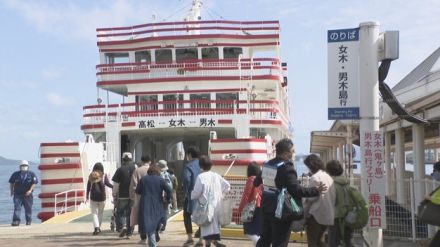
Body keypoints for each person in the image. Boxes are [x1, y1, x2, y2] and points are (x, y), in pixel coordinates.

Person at [254, 138, 327, 247]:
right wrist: (315, 190)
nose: (293, 153)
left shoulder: (268, 164)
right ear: (285, 153)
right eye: (292, 151)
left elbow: (256, 182)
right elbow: (296, 190)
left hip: (266, 207)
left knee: (264, 240)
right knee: (280, 242)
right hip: (281, 211)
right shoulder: (286, 168)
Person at [191, 156, 230, 247]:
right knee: (214, 227)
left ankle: (209, 244)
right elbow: (227, 185)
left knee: (207, 227)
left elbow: (196, 193)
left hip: (205, 208)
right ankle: (214, 242)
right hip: (216, 206)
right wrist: (221, 195)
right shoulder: (216, 175)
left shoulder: (200, 177)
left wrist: (191, 195)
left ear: (200, 166)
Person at [303, 154, 335, 247]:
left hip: (316, 215)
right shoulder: (328, 177)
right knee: (318, 241)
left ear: (311, 166)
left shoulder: (315, 177)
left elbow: (311, 198)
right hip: (328, 215)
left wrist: (304, 215)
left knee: (312, 242)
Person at [136, 166, 172, 246]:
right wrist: (167, 199)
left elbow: (138, 191)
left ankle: (153, 243)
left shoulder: (143, 179)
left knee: (148, 224)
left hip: (145, 204)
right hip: (158, 204)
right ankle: (154, 237)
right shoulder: (160, 180)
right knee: (155, 222)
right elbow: (169, 190)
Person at [325, 160, 354, 247]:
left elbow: (329, 202)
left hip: (336, 217)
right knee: (347, 241)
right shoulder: (346, 183)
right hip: (349, 216)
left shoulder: (332, 184)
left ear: (329, 171)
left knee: (333, 242)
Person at [237, 162, 263, 246]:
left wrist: (240, 208)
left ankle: (260, 244)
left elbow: (246, 195)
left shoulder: (251, 179)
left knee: (249, 231)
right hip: (260, 207)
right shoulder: (262, 179)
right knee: (257, 231)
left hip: (252, 209)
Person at [112, 152, 136, 238]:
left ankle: (122, 227)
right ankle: (129, 232)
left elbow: (116, 184)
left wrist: (114, 193)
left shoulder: (120, 169)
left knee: (120, 212)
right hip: (133, 195)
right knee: (131, 213)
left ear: (123, 159)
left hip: (122, 195)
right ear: (131, 159)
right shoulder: (135, 168)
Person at [182, 146, 202, 246]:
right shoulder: (203, 165)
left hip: (191, 194)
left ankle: (190, 238)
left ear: (189, 155)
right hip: (203, 195)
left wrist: (186, 191)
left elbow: (186, 179)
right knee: (203, 215)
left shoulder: (188, 166)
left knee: (186, 215)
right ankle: (201, 239)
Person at [86, 162, 113, 235]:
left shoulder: (91, 175)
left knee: (94, 213)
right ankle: (99, 228)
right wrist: (114, 187)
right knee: (100, 213)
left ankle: (96, 228)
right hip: (102, 197)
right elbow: (107, 184)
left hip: (93, 197)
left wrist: (87, 196)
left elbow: (88, 186)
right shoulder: (104, 175)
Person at [8, 160, 38, 226]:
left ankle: (28, 221)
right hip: (17, 194)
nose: (24, 167)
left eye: (25, 166)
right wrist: (11, 191)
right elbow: (11, 183)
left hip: (28, 195)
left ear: (28, 166)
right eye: (22, 166)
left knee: (28, 208)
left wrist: (30, 190)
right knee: (17, 207)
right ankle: (16, 221)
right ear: (20, 167)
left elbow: (34, 183)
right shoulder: (15, 174)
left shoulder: (32, 174)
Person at [129, 155, 152, 230]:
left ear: (141, 161)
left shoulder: (137, 170)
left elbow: (133, 185)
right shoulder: (153, 170)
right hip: (151, 195)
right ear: (150, 161)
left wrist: (132, 196)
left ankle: (142, 231)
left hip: (139, 195)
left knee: (140, 213)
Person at [157, 159, 173, 232]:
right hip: (167, 195)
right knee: (165, 211)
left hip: (159, 195)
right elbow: (171, 186)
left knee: (158, 211)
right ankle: (163, 226)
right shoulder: (169, 175)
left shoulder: (157, 175)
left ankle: (159, 225)